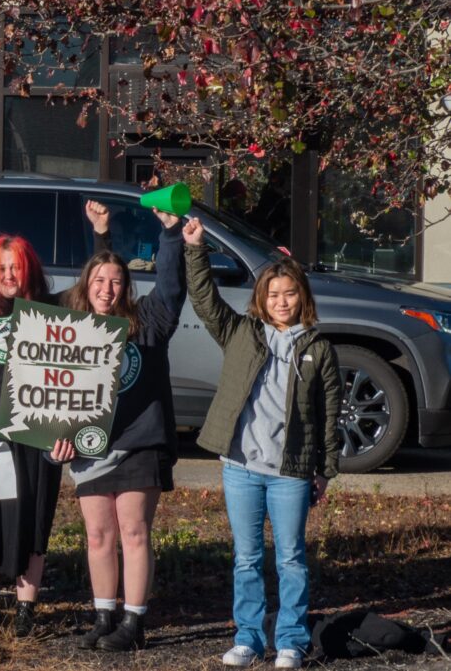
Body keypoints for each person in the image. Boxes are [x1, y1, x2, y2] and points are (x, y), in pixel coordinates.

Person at [0, 201, 110, 639]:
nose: (10, 276)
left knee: (29, 518)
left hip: (35, 428)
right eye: (2, 268)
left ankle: (25, 611)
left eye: (17, 268)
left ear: (29, 270)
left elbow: (92, 292)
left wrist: (101, 235)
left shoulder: (50, 310)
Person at [182, 217, 341, 670]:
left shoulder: (318, 348)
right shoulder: (242, 334)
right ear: (261, 300)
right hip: (241, 466)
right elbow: (205, 300)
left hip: (290, 470)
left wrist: (325, 470)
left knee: (291, 558)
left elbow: (329, 414)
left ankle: (290, 638)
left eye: (289, 293)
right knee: (247, 558)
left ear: (302, 297)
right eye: (273, 295)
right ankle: (248, 637)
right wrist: (194, 248)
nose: (282, 301)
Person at [51, 205, 186, 652]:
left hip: (140, 442)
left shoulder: (147, 322)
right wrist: (55, 439)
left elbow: (169, 289)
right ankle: (104, 614)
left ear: (126, 287)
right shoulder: (73, 332)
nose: (106, 289)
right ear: (85, 287)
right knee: (97, 535)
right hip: (92, 447)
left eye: (115, 282)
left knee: (133, 531)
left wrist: (170, 234)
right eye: (98, 281)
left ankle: (134, 621)